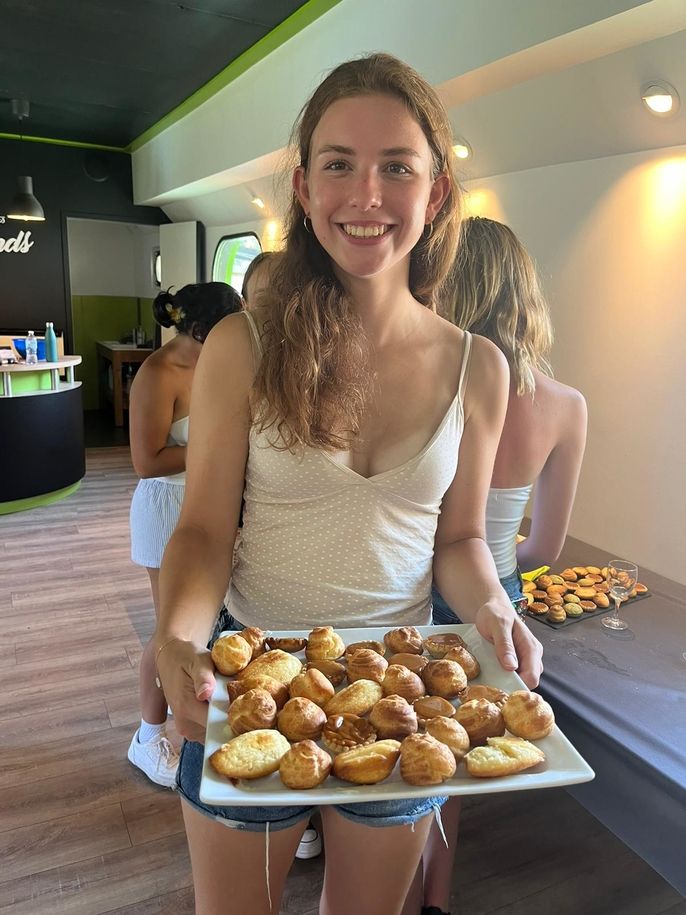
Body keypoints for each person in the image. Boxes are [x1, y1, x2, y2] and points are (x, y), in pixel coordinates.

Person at [153, 54, 543, 915]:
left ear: (435, 192)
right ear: (304, 184)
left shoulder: (479, 368)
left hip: (404, 695)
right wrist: (179, 637)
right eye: (339, 164)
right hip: (253, 682)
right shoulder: (242, 349)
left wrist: (494, 612)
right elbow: (204, 532)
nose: (366, 195)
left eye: (396, 167)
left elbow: (461, 540)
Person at [422, 217, 587, 915]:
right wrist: (499, 573)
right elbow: (546, 548)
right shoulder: (567, 406)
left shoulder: (428, 384)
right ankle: (437, 898)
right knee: (457, 760)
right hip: (498, 600)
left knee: (409, 747)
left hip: (411, 592)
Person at [127, 282, 243, 787]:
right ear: (200, 328)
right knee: (166, 632)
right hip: (167, 504)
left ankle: (206, 729)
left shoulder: (220, 363)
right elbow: (145, 461)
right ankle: (148, 738)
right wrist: (218, 448)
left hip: (212, 504)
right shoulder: (159, 372)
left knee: (212, 628)